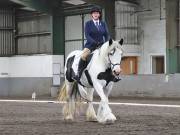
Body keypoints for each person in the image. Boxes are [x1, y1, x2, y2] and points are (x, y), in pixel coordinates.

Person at [74, 5, 110, 82]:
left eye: (97, 13)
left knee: (110, 55)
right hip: (90, 45)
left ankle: (112, 75)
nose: (95, 14)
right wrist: (94, 42)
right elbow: (87, 35)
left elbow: (107, 34)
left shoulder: (103, 23)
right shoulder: (88, 24)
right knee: (83, 56)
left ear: (99, 14)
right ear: (92, 15)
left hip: (101, 45)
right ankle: (78, 74)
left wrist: (106, 43)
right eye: (94, 13)